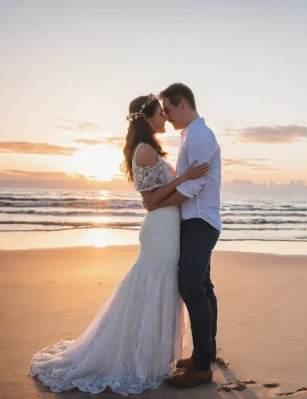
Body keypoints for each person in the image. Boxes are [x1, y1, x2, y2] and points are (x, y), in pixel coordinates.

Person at [30, 94, 209, 395]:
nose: (165, 118)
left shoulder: (146, 149)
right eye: (160, 114)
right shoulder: (145, 152)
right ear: (148, 118)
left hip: (165, 229)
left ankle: (151, 358)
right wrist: (186, 178)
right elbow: (151, 200)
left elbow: (152, 198)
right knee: (155, 286)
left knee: (158, 287)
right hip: (160, 231)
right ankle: (139, 359)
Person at [142, 83, 222, 388]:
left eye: (169, 110)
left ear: (183, 105)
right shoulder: (191, 135)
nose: (167, 116)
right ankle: (207, 351)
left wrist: (158, 203)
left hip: (200, 220)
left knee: (190, 286)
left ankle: (202, 367)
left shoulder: (200, 136)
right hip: (196, 220)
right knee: (202, 284)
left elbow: (193, 187)